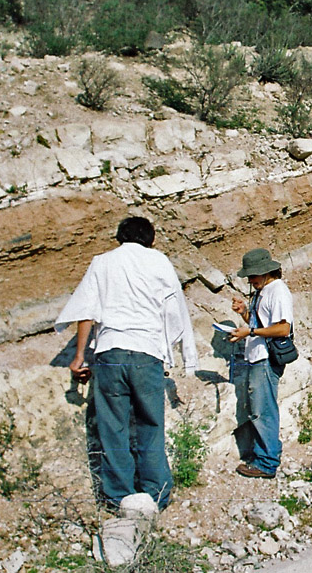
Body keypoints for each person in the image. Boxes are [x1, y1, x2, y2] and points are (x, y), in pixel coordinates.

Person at [54, 216, 197, 511]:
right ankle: (156, 494)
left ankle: (119, 497)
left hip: (111, 352)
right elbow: (175, 311)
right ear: (151, 239)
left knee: (113, 427)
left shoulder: (102, 262)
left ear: (119, 237)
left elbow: (87, 312)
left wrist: (79, 357)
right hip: (147, 353)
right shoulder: (159, 262)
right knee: (151, 424)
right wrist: (175, 352)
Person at [227, 248, 294, 479]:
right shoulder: (263, 292)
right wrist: (245, 313)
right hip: (257, 357)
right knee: (259, 409)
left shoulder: (278, 291)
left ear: (266, 272)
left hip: (266, 360)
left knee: (263, 411)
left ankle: (266, 463)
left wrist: (250, 330)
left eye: (253, 276)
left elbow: (283, 328)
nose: (250, 280)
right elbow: (259, 325)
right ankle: (264, 456)